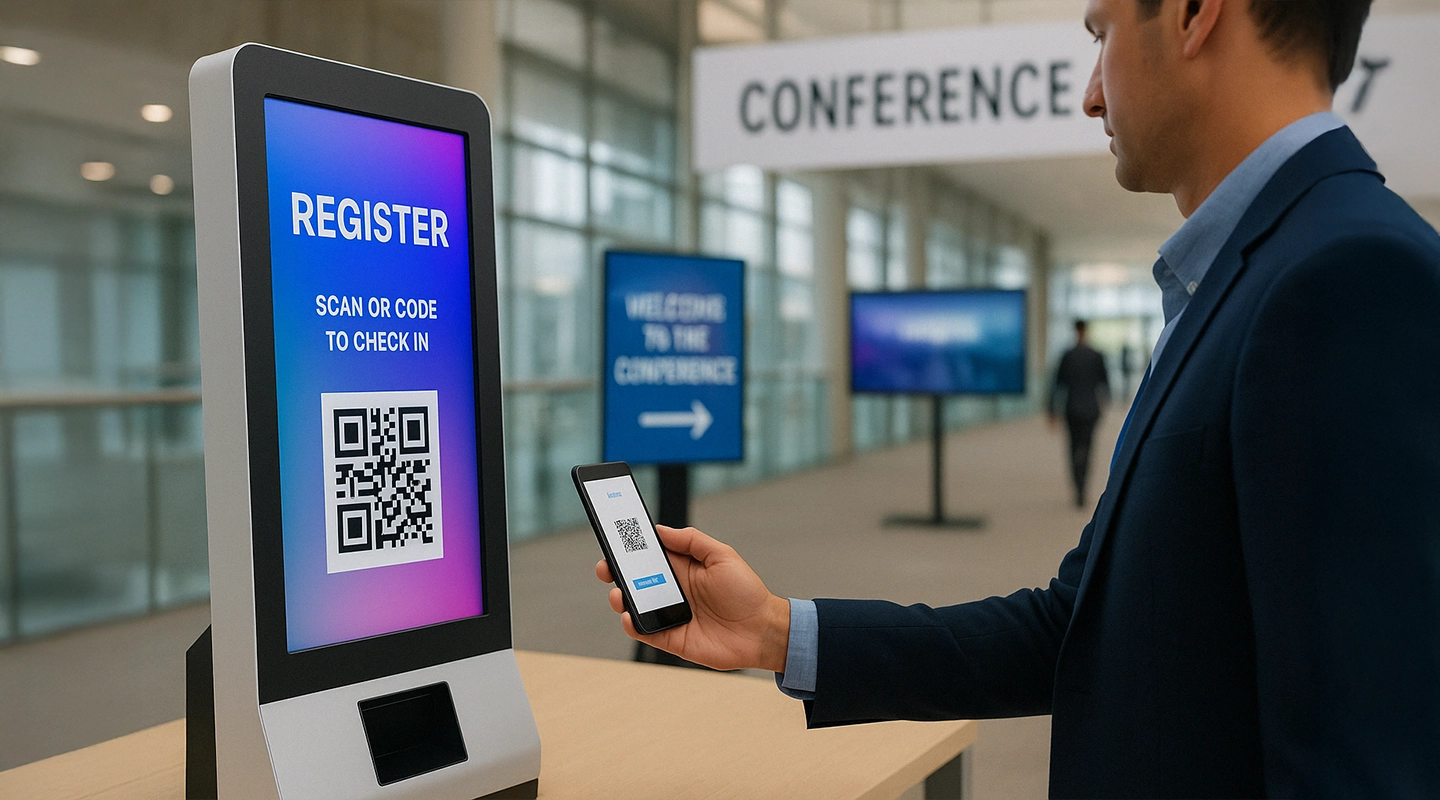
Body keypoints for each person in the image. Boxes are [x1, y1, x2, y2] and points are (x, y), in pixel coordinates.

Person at [597, 0, 1440, 795]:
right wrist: (777, 630)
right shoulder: (1250, 279)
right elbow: (1080, 627)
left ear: (1194, 13)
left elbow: (1363, 760)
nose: (1089, 93)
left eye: (1101, 34)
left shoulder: (1346, 278)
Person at [1049, 319, 1110, 507]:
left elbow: (1057, 385)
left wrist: (1051, 410)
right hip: (1091, 410)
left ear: (1075, 330)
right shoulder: (1096, 355)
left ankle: (1078, 488)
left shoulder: (1067, 356)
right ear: (1086, 330)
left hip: (1072, 409)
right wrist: (1105, 404)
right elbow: (1105, 385)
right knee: (1087, 448)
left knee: (1073, 449)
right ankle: (1082, 489)